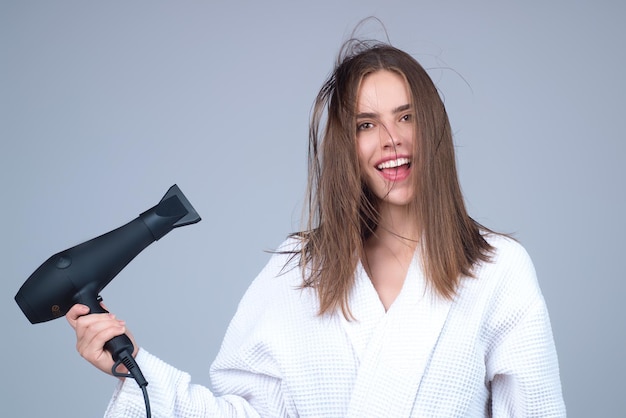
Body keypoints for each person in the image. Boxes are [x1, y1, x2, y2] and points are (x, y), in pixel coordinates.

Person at [67, 38, 566, 417]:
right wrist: (134, 367)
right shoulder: (299, 271)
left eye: (406, 117)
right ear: (344, 147)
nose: (391, 140)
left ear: (432, 126)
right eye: (365, 125)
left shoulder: (497, 269)